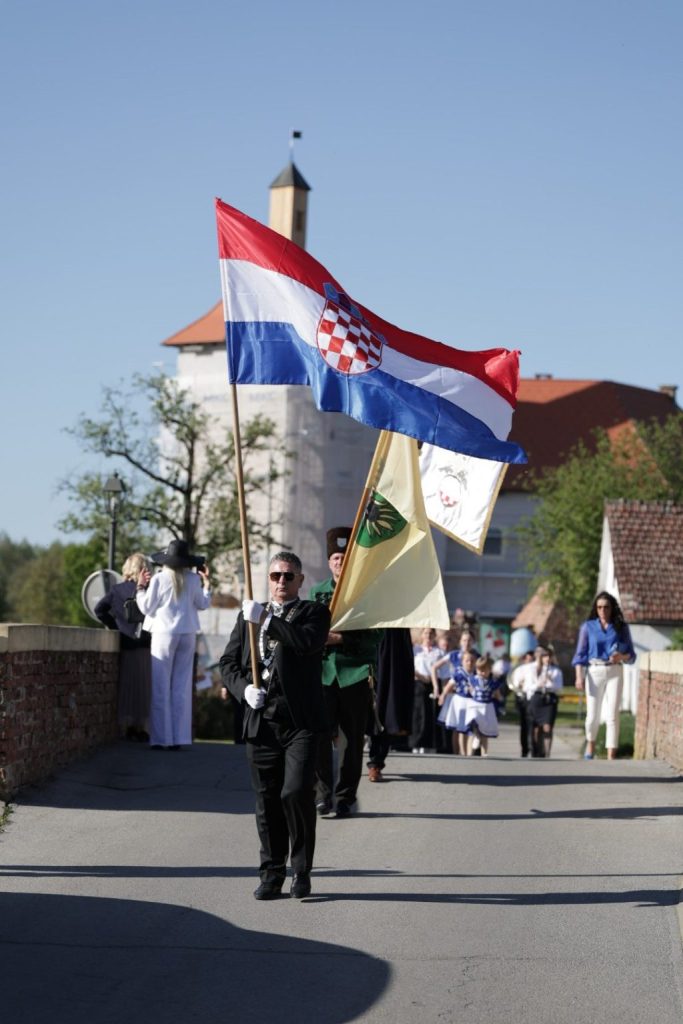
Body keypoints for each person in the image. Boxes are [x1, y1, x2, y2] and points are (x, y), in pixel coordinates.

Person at [220, 551, 330, 900]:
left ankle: (301, 870)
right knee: (266, 802)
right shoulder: (247, 617)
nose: (281, 581)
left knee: (295, 793)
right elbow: (228, 663)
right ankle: (271, 873)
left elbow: (305, 642)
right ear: (268, 579)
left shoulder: (314, 613)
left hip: (301, 722)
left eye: (288, 576)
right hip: (262, 720)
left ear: (300, 581)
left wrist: (266, 619)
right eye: (275, 576)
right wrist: (243, 689)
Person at [310, 527, 382, 818]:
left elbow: (376, 635)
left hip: (355, 673)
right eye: (335, 558)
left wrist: (340, 639)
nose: (339, 562)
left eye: (344, 557)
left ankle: (345, 797)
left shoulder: (366, 593)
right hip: (323, 674)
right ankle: (322, 794)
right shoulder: (317, 592)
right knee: (319, 737)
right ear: (329, 562)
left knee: (351, 742)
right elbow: (309, 630)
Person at [135, 539, 211, 750]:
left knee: (161, 686)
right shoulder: (193, 579)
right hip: (187, 633)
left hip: (164, 633)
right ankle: (179, 738)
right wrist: (207, 585)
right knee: (181, 687)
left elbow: (146, 608)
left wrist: (140, 588)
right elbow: (203, 604)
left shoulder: (159, 579)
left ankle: (162, 738)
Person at [94, 551, 151, 741]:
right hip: (145, 644)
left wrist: (115, 626)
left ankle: (127, 726)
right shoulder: (148, 590)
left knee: (127, 685)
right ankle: (141, 727)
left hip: (126, 643)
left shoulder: (117, 590)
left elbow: (99, 609)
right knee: (144, 687)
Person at [572, 591, 635, 760]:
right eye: (599, 607)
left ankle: (611, 754)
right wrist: (579, 676)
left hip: (615, 671)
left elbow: (631, 655)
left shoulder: (621, 627)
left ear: (612, 608)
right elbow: (580, 655)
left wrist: (621, 657)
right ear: (595, 608)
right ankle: (590, 744)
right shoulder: (587, 627)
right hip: (594, 671)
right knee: (592, 715)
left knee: (612, 714)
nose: (602, 610)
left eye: (606, 607)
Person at [366, 628, 415, 781]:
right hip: (366, 648)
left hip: (393, 655)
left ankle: (376, 763)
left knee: (385, 711)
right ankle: (346, 765)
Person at [521, 645, 563, 758]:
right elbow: (527, 686)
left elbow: (559, 688)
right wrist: (538, 684)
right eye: (545, 656)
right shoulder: (533, 669)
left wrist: (550, 681)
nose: (547, 659)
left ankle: (546, 752)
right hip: (537, 697)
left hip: (549, 699)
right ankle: (536, 751)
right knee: (536, 728)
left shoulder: (556, 671)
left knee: (547, 727)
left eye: (549, 656)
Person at [438, 648, 477, 754]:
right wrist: (443, 695)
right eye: (467, 660)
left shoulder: (476, 674)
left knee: (470, 728)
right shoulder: (459, 674)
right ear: (462, 661)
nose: (469, 663)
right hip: (461, 702)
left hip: (472, 703)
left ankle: (469, 753)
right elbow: (449, 685)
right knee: (459, 729)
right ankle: (459, 752)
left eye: (472, 661)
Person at [410, 627, 441, 753]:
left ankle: (429, 744)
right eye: (426, 633)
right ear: (422, 635)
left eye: (431, 633)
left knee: (431, 715)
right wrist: (422, 677)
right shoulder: (416, 650)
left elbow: (442, 669)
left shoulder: (438, 652)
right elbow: (410, 667)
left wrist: (433, 681)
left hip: (433, 685)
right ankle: (416, 743)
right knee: (418, 715)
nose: (428, 635)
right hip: (419, 684)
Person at [463, 655, 501, 755]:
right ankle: (469, 753)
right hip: (475, 705)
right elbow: (470, 690)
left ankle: (484, 754)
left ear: (489, 670)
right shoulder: (473, 679)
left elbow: (498, 695)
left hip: (487, 707)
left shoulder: (492, 682)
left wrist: (498, 698)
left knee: (484, 732)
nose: (481, 673)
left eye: (484, 670)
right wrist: (470, 691)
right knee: (473, 722)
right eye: (479, 670)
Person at [508, 651, 535, 757]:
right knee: (524, 725)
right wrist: (520, 684)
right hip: (522, 698)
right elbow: (514, 684)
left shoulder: (535, 668)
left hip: (533, 698)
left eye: (532, 659)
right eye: (528, 659)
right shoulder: (519, 670)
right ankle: (524, 749)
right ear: (524, 659)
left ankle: (533, 747)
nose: (530, 661)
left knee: (533, 725)